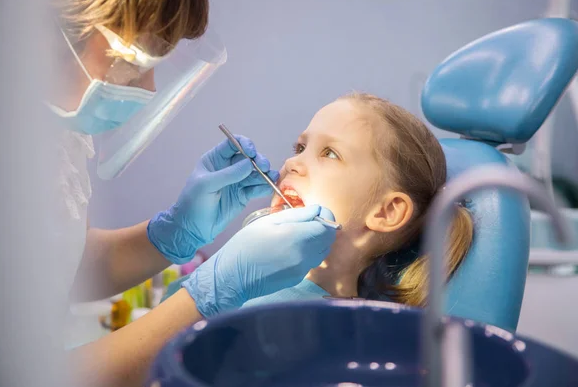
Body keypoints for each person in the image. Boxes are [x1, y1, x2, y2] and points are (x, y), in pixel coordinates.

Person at [48, 0, 337, 387]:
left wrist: (171, 235)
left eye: (331, 153)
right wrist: (208, 295)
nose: (148, 87)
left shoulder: (52, 132)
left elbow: (51, 266)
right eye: (138, 58)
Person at [166, 92, 474, 309]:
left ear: (386, 211)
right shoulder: (244, 284)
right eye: (300, 148)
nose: (290, 164)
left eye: (329, 153)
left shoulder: (322, 331)